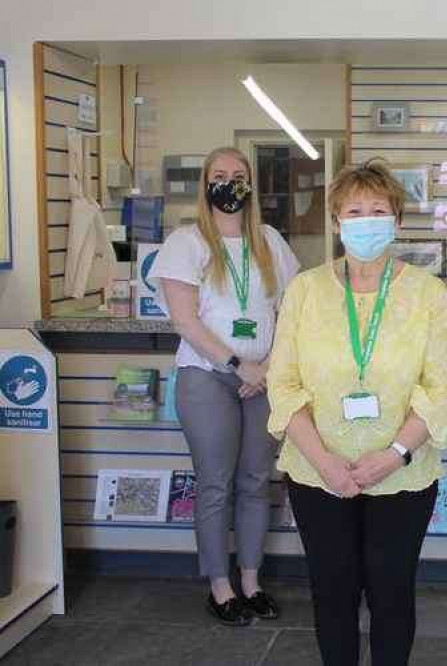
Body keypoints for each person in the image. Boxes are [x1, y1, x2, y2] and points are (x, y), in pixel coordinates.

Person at [267, 160, 447, 666]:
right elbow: (283, 384)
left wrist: (393, 453)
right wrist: (325, 462)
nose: (367, 220)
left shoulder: (428, 294)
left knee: (392, 594)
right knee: (332, 593)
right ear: (336, 221)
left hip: (402, 473)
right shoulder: (305, 291)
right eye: (355, 210)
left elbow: (438, 390)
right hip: (317, 471)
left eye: (379, 210)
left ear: (396, 221)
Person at [151, 147, 301, 625]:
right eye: (220, 175)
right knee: (215, 485)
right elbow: (185, 320)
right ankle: (220, 587)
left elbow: (291, 312)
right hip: (207, 377)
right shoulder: (186, 241)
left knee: (257, 483)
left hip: (263, 379)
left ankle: (252, 582)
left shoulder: (270, 241)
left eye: (239, 175)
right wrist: (240, 365)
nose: (229, 182)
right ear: (205, 183)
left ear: (251, 184)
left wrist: (269, 367)